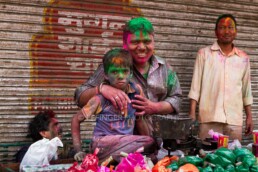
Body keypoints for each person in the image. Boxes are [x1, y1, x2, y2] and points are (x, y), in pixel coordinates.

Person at [74, 17, 182, 136]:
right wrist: (102, 89)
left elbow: (176, 98)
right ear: (125, 44)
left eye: (147, 41)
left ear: (153, 42)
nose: (141, 47)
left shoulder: (165, 68)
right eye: (135, 42)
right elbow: (80, 96)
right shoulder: (112, 67)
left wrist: (155, 107)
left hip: (162, 141)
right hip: (122, 143)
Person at [71, 48, 156, 163]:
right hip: (102, 144)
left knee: (153, 143)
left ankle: (117, 159)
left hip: (125, 144)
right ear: (105, 75)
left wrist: (150, 146)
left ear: (130, 73)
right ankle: (112, 158)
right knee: (148, 143)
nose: (120, 76)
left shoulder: (135, 92)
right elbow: (76, 120)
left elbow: (139, 119)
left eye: (125, 71)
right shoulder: (100, 98)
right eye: (115, 72)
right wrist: (78, 150)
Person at [188, 14, 253, 141]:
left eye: (230, 27)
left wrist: (249, 116)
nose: (227, 31)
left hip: (234, 120)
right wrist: (192, 113)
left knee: (233, 157)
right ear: (216, 32)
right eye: (222, 27)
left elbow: (246, 90)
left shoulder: (243, 58)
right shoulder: (204, 54)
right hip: (209, 118)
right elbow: (195, 87)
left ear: (236, 31)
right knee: (208, 157)